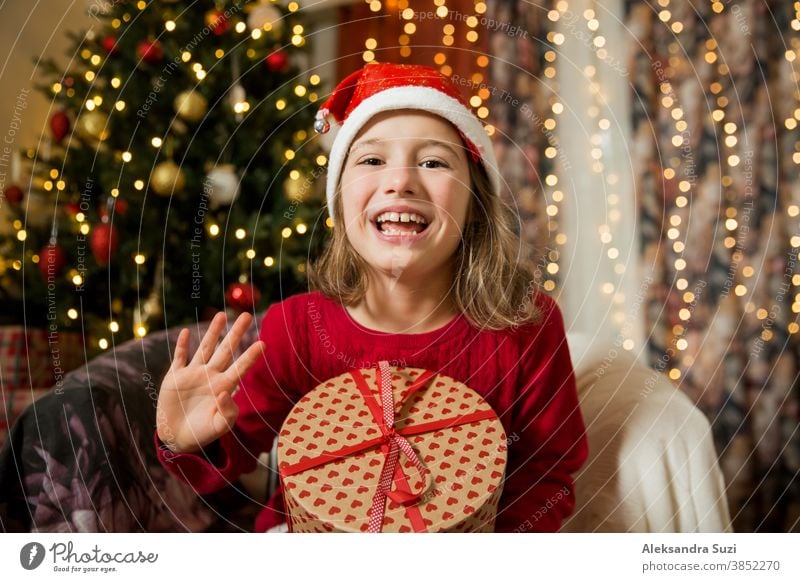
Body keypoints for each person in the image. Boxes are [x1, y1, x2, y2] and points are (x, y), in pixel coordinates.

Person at [155, 62, 588, 533]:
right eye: (371, 160)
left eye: (433, 162)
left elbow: (548, 474)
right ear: (340, 201)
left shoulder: (528, 327)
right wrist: (187, 441)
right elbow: (229, 455)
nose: (400, 181)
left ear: (475, 202)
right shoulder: (295, 329)